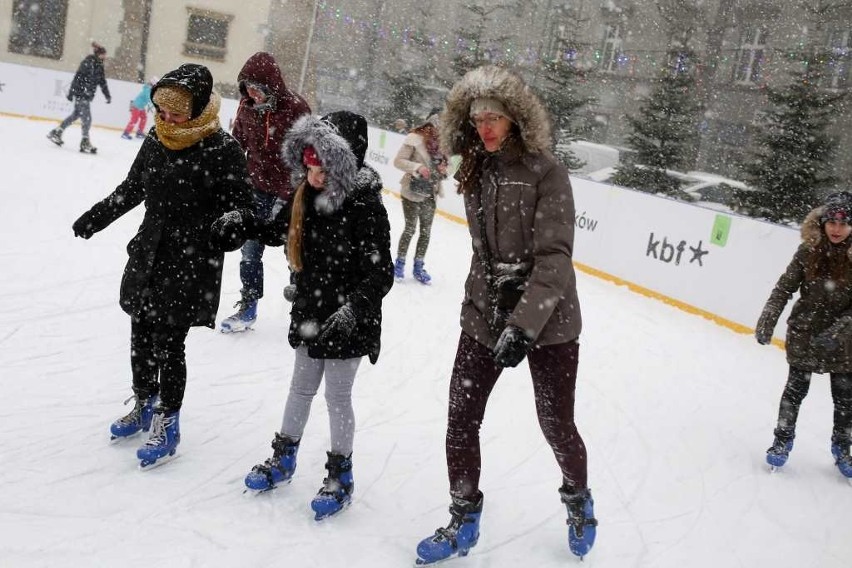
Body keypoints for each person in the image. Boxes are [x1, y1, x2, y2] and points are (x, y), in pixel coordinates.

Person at [414, 66, 596, 565]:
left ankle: (578, 499)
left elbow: (555, 257)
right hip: (484, 309)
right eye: (477, 120)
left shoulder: (546, 171)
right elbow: (483, 249)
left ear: (515, 120)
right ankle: (463, 515)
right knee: (460, 417)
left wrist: (523, 323)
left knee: (556, 421)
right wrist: (492, 305)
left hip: (548, 318)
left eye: (494, 118)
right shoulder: (476, 167)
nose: (485, 128)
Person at [71, 64, 254, 468]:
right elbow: (133, 187)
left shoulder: (223, 149)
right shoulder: (156, 137)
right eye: (162, 110)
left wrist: (231, 227)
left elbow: (243, 207)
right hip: (150, 253)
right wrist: (96, 217)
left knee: (170, 345)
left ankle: (167, 419)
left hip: (191, 260)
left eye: (176, 112)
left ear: (199, 107)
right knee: (139, 334)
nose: (166, 119)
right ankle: (143, 401)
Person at [213, 111, 393, 518]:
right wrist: (243, 224)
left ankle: (340, 475)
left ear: (343, 164)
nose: (312, 176)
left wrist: (354, 310)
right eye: (308, 167)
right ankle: (284, 457)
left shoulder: (366, 207)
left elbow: (380, 273)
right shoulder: (305, 199)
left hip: (349, 316)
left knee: (337, 397)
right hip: (311, 309)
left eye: (321, 168)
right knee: (300, 389)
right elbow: (274, 231)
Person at [755, 191, 852, 479]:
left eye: (844, 223)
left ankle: (842, 447)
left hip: (844, 341)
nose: (836, 229)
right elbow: (784, 288)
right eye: (832, 222)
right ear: (822, 223)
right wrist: (767, 320)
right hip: (806, 333)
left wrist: (838, 331)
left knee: (846, 399)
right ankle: (782, 440)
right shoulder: (808, 250)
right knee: (794, 392)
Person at [219, 52, 312, 333]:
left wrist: (293, 189)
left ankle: (303, 306)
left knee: (293, 250)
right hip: (256, 187)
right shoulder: (246, 107)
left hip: (290, 191)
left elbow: (308, 151)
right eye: (247, 88)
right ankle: (248, 306)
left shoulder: (296, 108)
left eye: (257, 88)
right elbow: (238, 143)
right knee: (249, 251)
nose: (252, 93)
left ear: (271, 86)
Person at [392, 110, 449, 284]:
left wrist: (444, 170)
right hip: (412, 189)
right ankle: (399, 264)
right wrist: (417, 167)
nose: (440, 131)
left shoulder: (443, 144)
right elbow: (398, 161)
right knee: (410, 228)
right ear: (430, 125)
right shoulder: (414, 139)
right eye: (438, 127)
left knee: (426, 232)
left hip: (431, 192)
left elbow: (449, 167)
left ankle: (418, 266)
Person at [47, 42, 111, 153]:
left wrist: (107, 95)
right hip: (82, 94)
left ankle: (57, 132)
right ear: (98, 54)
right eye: (103, 55)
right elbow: (78, 77)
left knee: (75, 115)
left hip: (87, 95)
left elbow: (102, 82)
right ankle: (85, 142)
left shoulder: (99, 66)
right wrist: (72, 93)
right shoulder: (88, 63)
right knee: (87, 118)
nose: (105, 57)